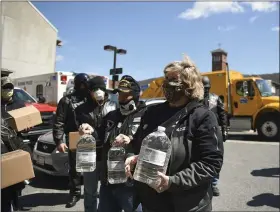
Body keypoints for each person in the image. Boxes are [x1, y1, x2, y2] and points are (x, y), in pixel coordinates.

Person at [125, 55, 224, 212]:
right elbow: (137, 144)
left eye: (173, 80)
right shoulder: (152, 113)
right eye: (166, 79)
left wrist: (173, 181)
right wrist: (133, 156)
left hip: (188, 205)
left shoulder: (202, 117)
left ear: (188, 85)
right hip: (151, 203)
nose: (167, 84)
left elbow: (211, 163)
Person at [79, 75, 145, 212]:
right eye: (119, 93)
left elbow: (152, 144)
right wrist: (90, 130)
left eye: (124, 94)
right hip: (108, 182)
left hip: (131, 184)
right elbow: (99, 136)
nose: (120, 97)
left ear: (134, 95)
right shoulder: (111, 116)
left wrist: (132, 138)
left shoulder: (146, 115)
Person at [75, 76, 117, 212]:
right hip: (88, 152)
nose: (98, 92)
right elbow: (74, 129)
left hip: (107, 153)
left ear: (105, 90)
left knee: (109, 190)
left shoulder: (113, 106)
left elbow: (113, 128)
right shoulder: (81, 109)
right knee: (90, 191)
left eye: (100, 89)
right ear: (90, 92)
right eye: (94, 89)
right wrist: (80, 129)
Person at [53, 73, 90, 208]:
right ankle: (75, 192)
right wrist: (59, 140)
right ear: (80, 84)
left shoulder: (90, 99)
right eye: (85, 84)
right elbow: (59, 121)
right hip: (74, 137)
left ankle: (90, 192)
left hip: (91, 137)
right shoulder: (67, 101)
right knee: (75, 168)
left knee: (91, 166)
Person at [201, 76, 228, 196]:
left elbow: (222, 114)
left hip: (215, 132)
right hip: (200, 132)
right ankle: (203, 183)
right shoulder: (195, 99)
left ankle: (214, 183)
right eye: (203, 87)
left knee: (216, 158)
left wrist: (225, 130)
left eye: (207, 87)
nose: (205, 90)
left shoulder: (216, 98)